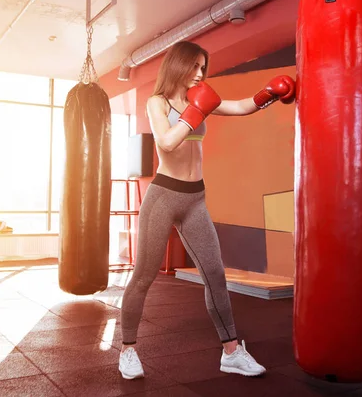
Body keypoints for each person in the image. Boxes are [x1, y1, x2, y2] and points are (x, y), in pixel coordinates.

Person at [118, 41, 295, 380]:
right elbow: (167, 143)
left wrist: (269, 92)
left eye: (204, 67)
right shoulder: (157, 103)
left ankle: (231, 352)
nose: (201, 74)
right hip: (163, 196)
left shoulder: (201, 99)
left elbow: (242, 107)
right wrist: (195, 111)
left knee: (215, 274)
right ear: (178, 66)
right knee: (143, 275)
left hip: (195, 199)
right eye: (195, 67)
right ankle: (127, 350)